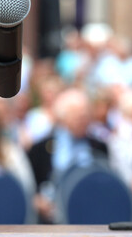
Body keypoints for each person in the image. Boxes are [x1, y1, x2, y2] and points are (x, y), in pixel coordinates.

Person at [27, 89, 108, 223]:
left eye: (85, 115)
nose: (82, 120)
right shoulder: (41, 149)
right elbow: (30, 186)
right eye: (77, 115)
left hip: (90, 214)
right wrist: (37, 200)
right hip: (50, 219)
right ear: (62, 117)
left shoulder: (99, 146)